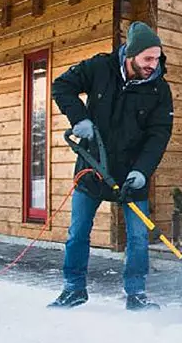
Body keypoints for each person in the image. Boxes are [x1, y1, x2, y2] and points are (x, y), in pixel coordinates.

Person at [47, 21, 174, 310]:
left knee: (139, 237)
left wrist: (142, 172)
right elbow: (61, 86)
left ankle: (136, 292)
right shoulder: (100, 68)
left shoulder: (159, 90)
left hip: (132, 175)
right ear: (131, 54)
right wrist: (79, 118)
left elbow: (159, 135)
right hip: (93, 167)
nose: (153, 65)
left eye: (157, 58)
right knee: (78, 230)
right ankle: (74, 288)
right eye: (147, 58)